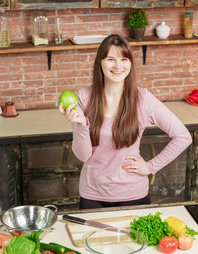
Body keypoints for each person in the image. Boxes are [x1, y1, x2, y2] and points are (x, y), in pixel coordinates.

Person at [59, 34, 192, 210]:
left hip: (134, 194)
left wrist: (150, 167)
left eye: (124, 59)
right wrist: (82, 124)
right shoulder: (83, 98)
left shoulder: (143, 99)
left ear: (130, 63)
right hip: (93, 194)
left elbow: (183, 136)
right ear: (100, 62)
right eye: (111, 59)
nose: (118, 66)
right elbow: (83, 156)